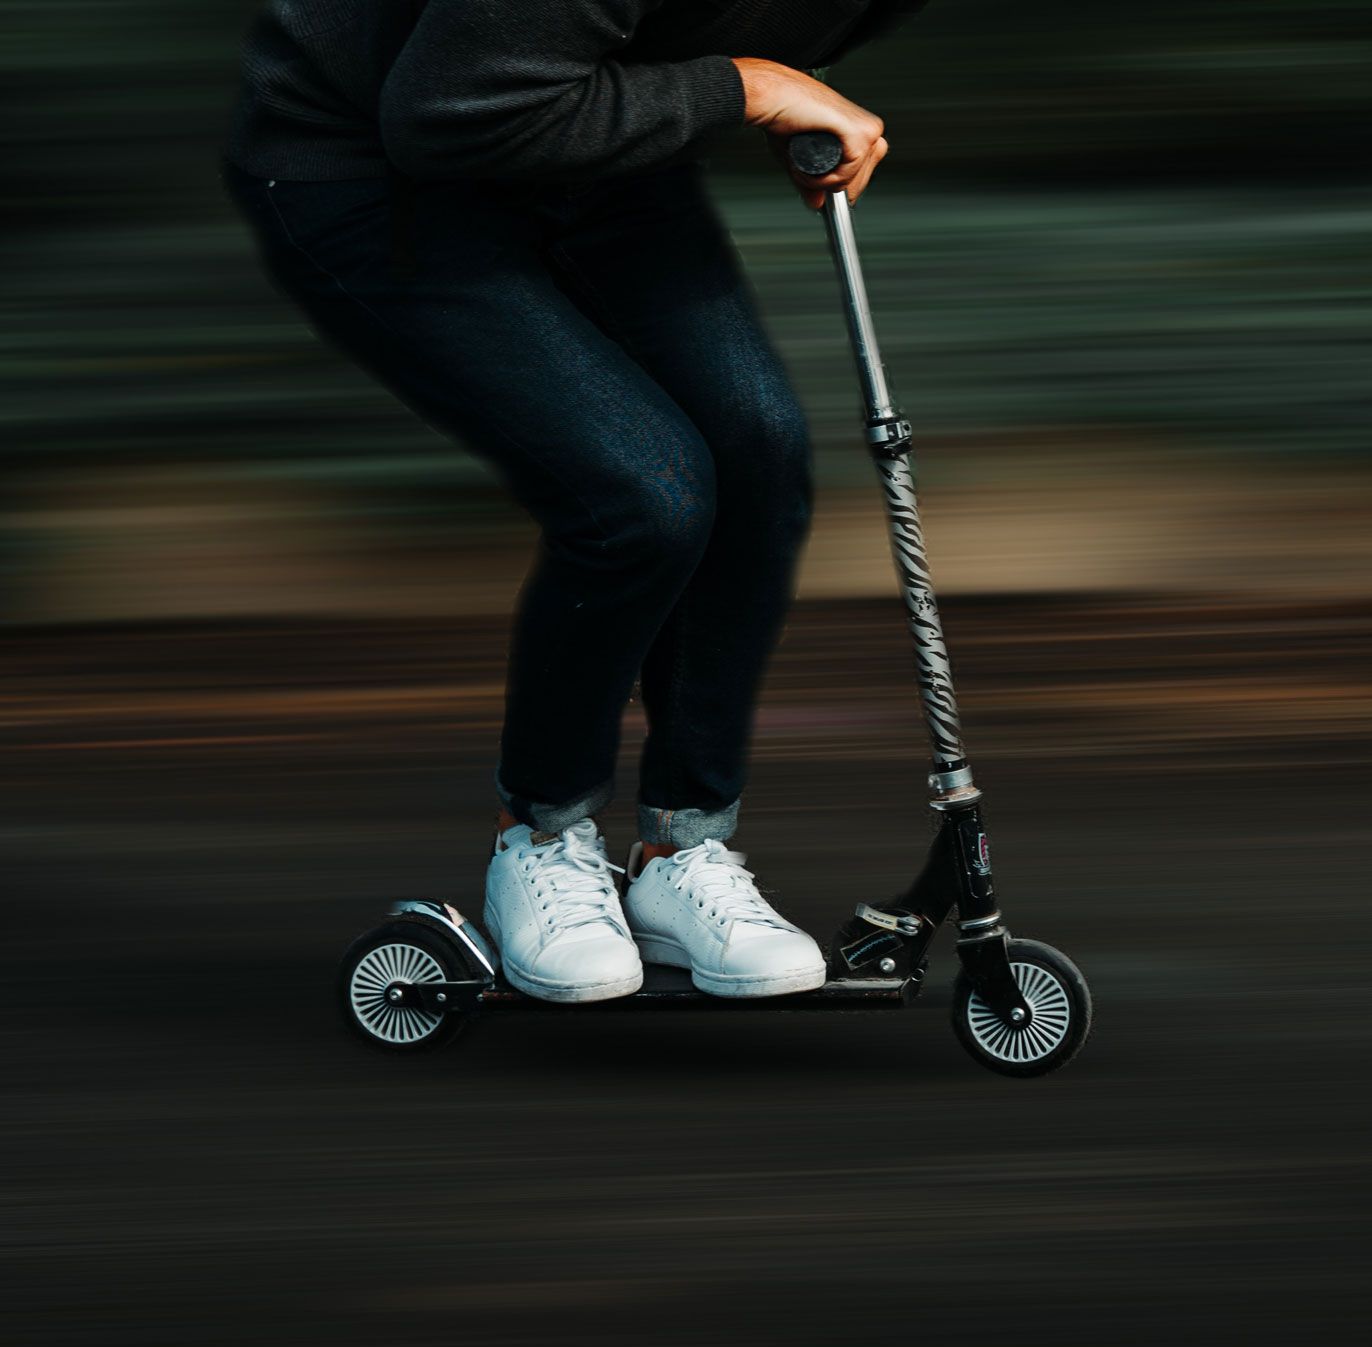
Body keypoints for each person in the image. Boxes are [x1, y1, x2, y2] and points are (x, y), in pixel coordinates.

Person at [224, 1, 926, 1002]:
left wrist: (736, 90)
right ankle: (541, 841)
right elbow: (448, 111)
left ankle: (683, 856)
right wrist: (748, 88)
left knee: (757, 453)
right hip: (376, 157)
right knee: (645, 492)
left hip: (582, 155)